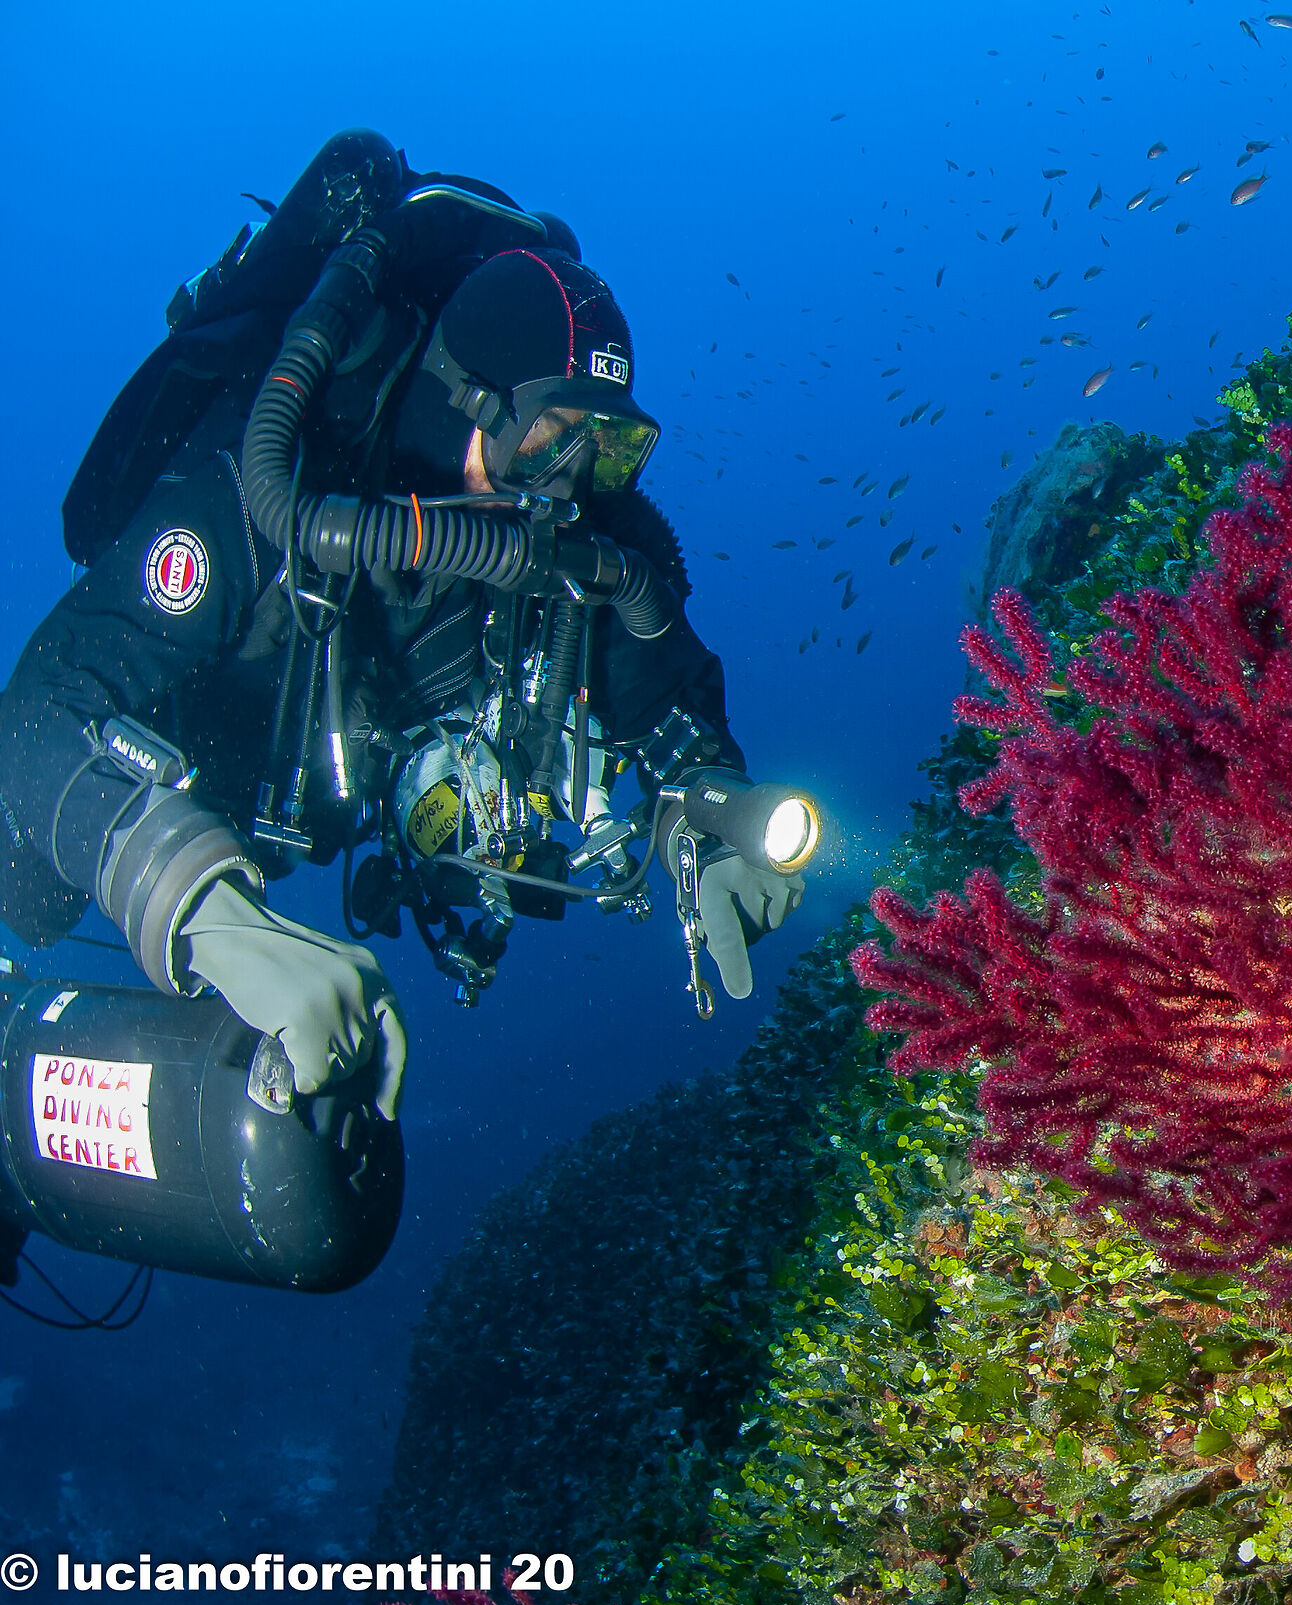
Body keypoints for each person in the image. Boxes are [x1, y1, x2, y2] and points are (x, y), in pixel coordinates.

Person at [0, 161, 808, 1126]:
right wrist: (204, 909)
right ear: (462, 399)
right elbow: (38, 719)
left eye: (610, 447)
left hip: (315, 801)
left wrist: (702, 811)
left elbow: (660, 686)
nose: (571, 482)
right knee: (20, 893)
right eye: (549, 437)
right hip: (158, 786)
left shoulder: (570, 539)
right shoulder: (265, 494)